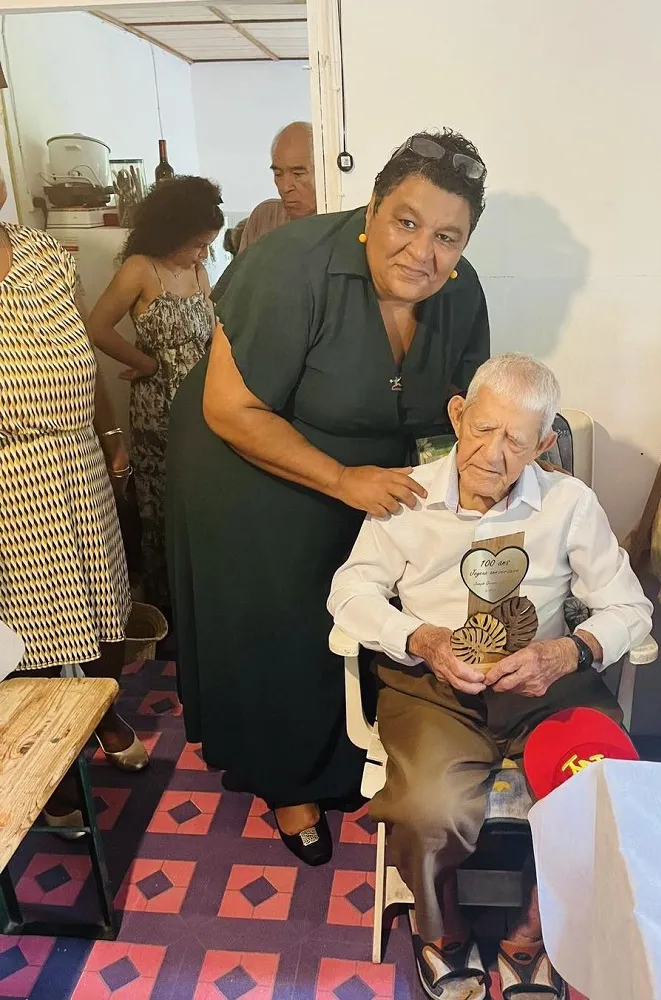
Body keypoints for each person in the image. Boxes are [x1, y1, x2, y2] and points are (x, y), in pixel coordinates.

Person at [166, 129, 491, 865]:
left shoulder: (461, 289)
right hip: (245, 460)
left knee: (353, 604)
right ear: (373, 210)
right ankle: (287, 780)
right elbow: (230, 410)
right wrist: (342, 479)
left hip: (364, 470)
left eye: (447, 237)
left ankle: (348, 758)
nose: (423, 252)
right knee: (281, 615)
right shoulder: (290, 267)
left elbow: (458, 404)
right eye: (406, 222)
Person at [328, 353, 653, 1000]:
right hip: (432, 690)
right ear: (458, 415)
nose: (494, 454)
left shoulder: (569, 503)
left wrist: (571, 651)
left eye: (517, 441)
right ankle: (441, 929)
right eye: (483, 429)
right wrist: (419, 638)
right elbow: (350, 591)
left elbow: (629, 608)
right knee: (431, 807)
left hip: (549, 688)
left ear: (544, 445)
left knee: (602, 796)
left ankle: (532, 932)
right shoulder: (408, 496)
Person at [0, 169, 149, 827]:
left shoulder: (46, 257)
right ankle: (47, 768)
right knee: (25, 634)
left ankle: (102, 711)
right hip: (10, 482)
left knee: (103, 605)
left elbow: (83, 359)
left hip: (78, 464)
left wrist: (110, 434)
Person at [88, 176, 223, 614]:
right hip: (157, 409)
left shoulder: (199, 271)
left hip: (202, 405)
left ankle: (201, 598)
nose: (202, 254)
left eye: (207, 245)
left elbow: (212, 337)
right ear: (172, 232)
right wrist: (145, 364)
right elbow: (97, 327)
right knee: (162, 501)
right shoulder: (140, 268)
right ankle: (168, 607)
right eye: (197, 244)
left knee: (199, 498)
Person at [237, 121, 317, 253]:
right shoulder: (265, 219)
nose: (285, 187)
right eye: (278, 174)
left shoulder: (343, 222)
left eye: (297, 174)